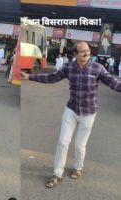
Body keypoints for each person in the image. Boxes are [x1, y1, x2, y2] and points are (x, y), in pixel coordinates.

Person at [21, 41, 121, 188]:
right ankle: (57, 174)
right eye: (82, 51)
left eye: (87, 50)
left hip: (89, 113)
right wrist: (29, 77)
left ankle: (78, 168)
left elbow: (114, 83)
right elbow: (51, 78)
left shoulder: (97, 68)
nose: (86, 53)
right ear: (75, 54)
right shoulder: (69, 67)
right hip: (71, 110)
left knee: (80, 145)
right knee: (63, 142)